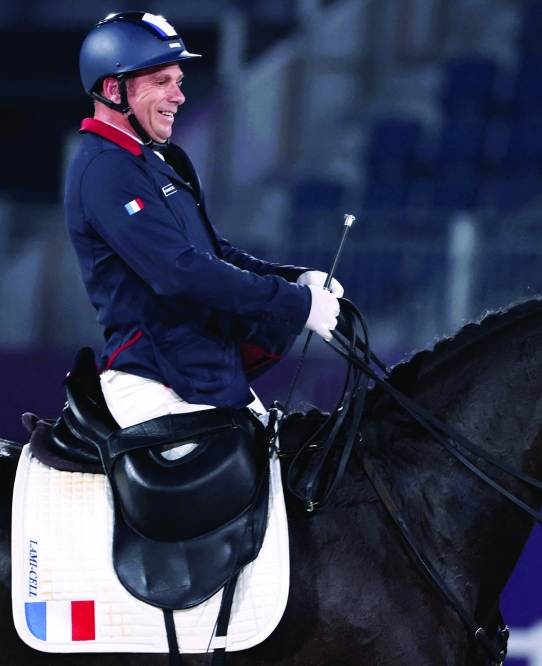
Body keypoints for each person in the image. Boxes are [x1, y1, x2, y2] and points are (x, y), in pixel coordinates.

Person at [65, 12, 342, 430]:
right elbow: (179, 271)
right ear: (112, 89)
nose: (178, 96)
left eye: (178, 81)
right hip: (157, 381)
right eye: (161, 82)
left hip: (207, 375)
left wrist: (294, 279)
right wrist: (294, 305)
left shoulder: (156, 161)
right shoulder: (105, 170)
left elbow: (213, 253)